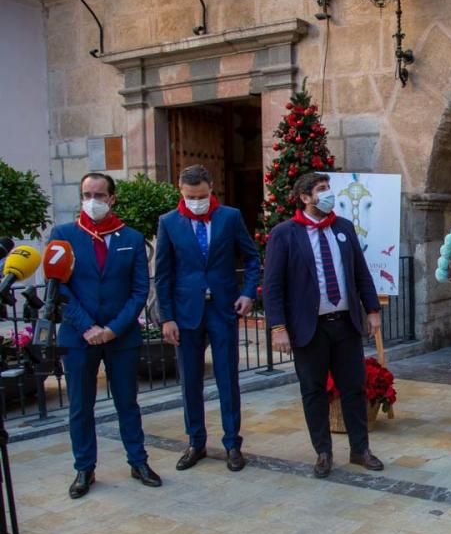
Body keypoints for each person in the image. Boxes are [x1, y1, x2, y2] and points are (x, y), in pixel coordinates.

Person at [263, 172, 383, 477]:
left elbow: (360, 273)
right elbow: (273, 286)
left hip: (345, 324)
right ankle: (323, 452)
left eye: (328, 188)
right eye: (321, 190)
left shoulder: (343, 228)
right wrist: (278, 328)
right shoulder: (285, 234)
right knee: (313, 391)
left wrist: (372, 309)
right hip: (309, 328)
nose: (328, 194)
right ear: (305, 198)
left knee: (354, 388)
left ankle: (360, 449)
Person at [50, 173, 160, 498]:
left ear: (112, 198)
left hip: (121, 336)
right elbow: (60, 288)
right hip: (78, 337)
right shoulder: (64, 235)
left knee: (128, 402)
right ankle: (84, 468)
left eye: (99, 194)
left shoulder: (132, 237)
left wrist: (113, 328)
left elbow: (140, 289)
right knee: (80, 406)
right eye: (87, 194)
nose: (93, 200)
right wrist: (87, 327)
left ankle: (138, 461)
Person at [154, 165, 260, 472]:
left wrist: (248, 293)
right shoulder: (169, 222)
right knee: (190, 382)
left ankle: (232, 444)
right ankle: (195, 442)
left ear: (211, 187)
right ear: (180, 191)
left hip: (223, 309)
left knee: (228, 378)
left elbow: (252, 257)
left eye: (201, 195)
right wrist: (166, 318)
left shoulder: (230, 217)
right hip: (185, 314)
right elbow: (162, 275)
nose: (196, 201)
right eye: (190, 196)